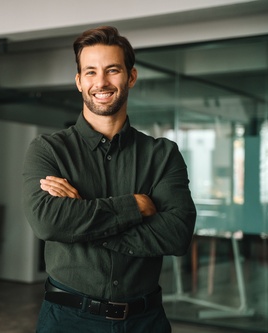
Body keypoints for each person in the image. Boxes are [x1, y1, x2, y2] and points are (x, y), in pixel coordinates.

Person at [22, 26, 197, 333]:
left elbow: (177, 234)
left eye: (112, 70)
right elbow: (47, 223)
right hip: (67, 320)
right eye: (90, 72)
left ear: (131, 76)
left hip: (146, 321)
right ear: (79, 82)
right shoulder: (48, 150)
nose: (100, 82)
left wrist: (80, 220)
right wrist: (134, 208)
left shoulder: (162, 155)